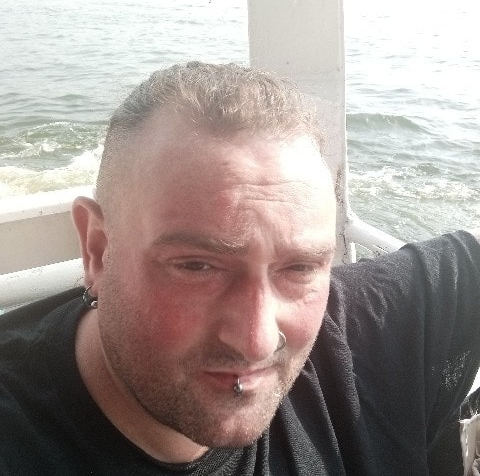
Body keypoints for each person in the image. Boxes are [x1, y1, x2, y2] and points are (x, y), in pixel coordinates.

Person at [1, 62, 479, 476]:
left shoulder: (375, 334)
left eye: (300, 268)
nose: (257, 341)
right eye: (197, 267)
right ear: (97, 249)